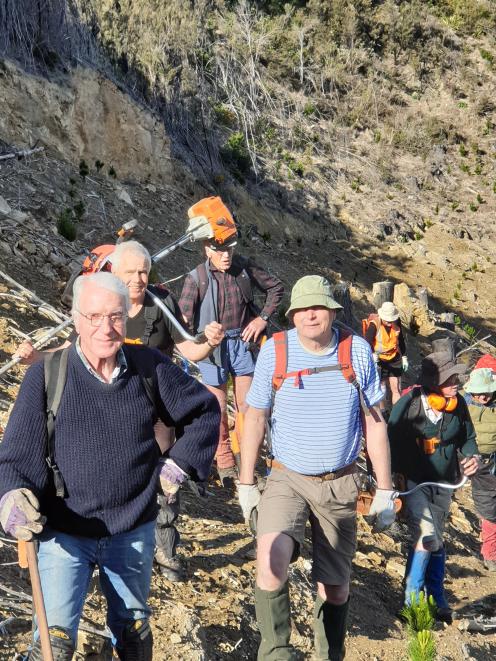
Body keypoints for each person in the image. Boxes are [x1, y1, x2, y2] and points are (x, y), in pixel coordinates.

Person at [0, 273, 220, 660]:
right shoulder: (47, 374)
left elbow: (204, 410)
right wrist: (12, 496)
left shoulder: (148, 367)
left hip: (131, 528)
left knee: (133, 632)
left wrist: (180, 464)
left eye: (116, 317)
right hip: (62, 532)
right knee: (53, 641)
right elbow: (17, 456)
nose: (106, 327)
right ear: (76, 318)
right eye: (95, 316)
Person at [13, 240, 225, 584]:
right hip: (109, 400)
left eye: (144, 271)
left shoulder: (160, 304)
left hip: (155, 400)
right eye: (131, 272)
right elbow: (73, 348)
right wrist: (37, 360)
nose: (139, 278)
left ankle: (165, 548)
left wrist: (208, 343)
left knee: (160, 478)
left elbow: (189, 349)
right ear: (114, 272)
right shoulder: (98, 302)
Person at [237, 275, 396, 661]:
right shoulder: (275, 351)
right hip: (286, 476)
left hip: (340, 483)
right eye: (303, 309)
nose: (311, 315)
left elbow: (374, 423)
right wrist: (246, 483)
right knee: (270, 557)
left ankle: (330, 654)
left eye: (319, 308)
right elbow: (255, 417)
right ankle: (276, 653)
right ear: (292, 315)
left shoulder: (356, 351)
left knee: (335, 587)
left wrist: (386, 489)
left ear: (332, 312)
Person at [179, 229, 284, 485]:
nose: (226, 255)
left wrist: (262, 319)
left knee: (247, 408)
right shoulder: (197, 278)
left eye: (230, 249)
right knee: (216, 408)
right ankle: (225, 464)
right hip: (211, 348)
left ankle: (246, 462)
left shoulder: (244, 268)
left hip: (243, 344)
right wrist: (200, 337)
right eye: (220, 250)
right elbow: (182, 321)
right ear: (207, 249)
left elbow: (276, 288)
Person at [388, 351, 481, 623]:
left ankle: (436, 596)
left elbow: (468, 438)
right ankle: (413, 602)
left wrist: (472, 457)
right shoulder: (409, 403)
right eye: (451, 378)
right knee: (426, 536)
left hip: (446, 480)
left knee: (436, 536)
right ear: (433, 382)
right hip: (414, 481)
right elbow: (388, 441)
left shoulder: (458, 404)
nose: (457, 383)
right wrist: (389, 480)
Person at [464, 366, 496, 571]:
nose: (481, 396)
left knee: (489, 508)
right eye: (477, 392)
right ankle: (490, 553)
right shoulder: (459, 402)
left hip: (490, 462)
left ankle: (490, 553)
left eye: (485, 392)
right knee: (488, 508)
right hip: (464, 458)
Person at [364, 301, 408, 411]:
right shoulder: (375, 324)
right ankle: (383, 412)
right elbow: (367, 342)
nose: (389, 322)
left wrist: (404, 356)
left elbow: (400, 340)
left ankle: (397, 413)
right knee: (382, 387)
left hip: (394, 358)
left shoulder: (396, 322)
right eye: (387, 320)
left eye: (391, 319)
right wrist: (372, 354)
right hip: (379, 360)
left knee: (396, 388)